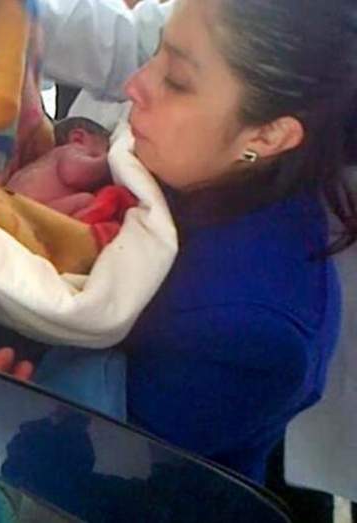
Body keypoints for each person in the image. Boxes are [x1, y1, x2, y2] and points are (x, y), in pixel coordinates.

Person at [39, 0, 352, 485]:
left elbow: (85, 469)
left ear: (269, 135)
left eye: (177, 80)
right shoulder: (189, 165)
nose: (133, 85)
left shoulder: (250, 331)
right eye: (156, 52)